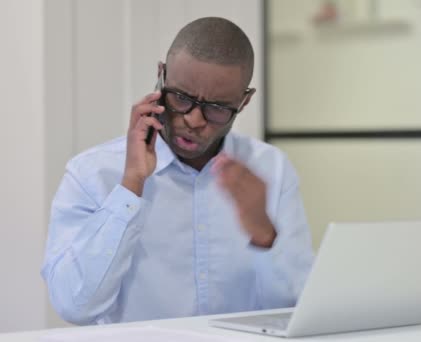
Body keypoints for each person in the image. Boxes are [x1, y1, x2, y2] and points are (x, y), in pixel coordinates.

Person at [41, 17, 314, 325]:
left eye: (217, 107)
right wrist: (130, 187)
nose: (194, 120)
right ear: (160, 77)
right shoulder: (93, 173)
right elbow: (74, 306)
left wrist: (264, 234)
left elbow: (295, 310)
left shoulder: (270, 170)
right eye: (181, 98)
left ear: (244, 101)